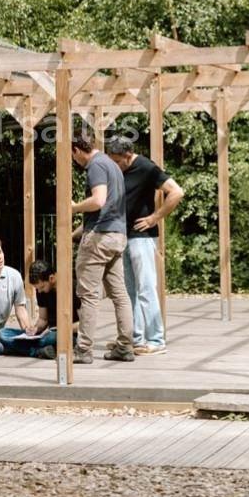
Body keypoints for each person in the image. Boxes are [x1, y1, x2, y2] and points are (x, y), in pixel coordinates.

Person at [105, 135, 184, 355]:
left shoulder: (146, 167)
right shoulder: (118, 169)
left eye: (117, 161)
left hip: (142, 236)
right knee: (128, 290)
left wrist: (154, 217)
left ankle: (156, 340)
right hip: (123, 236)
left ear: (128, 156)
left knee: (146, 288)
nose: (114, 166)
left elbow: (177, 192)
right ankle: (135, 338)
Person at [69, 130, 135, 363]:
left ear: (77, 150)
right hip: (117, 236)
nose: (74, 161)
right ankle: (125, 346)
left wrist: (74, 207)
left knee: (87, 295)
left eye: (73, 156)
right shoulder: (112, 165)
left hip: (99, 239)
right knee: (120, 294)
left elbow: (98, 200)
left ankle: (84, 349)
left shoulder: (95, 166)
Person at [1, 260, 80, 360]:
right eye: (37, 288)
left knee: (49, 338)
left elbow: (83, 324)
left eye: (42, 287)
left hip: (68, 334)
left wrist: (62, 329)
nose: (39, 291)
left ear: (51, 278)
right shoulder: (41, 291)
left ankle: (22, 349)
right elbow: (43, 319)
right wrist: (35, 329)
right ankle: (40, 350)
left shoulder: (73, 288)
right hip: (47, 334)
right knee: (3, 333)